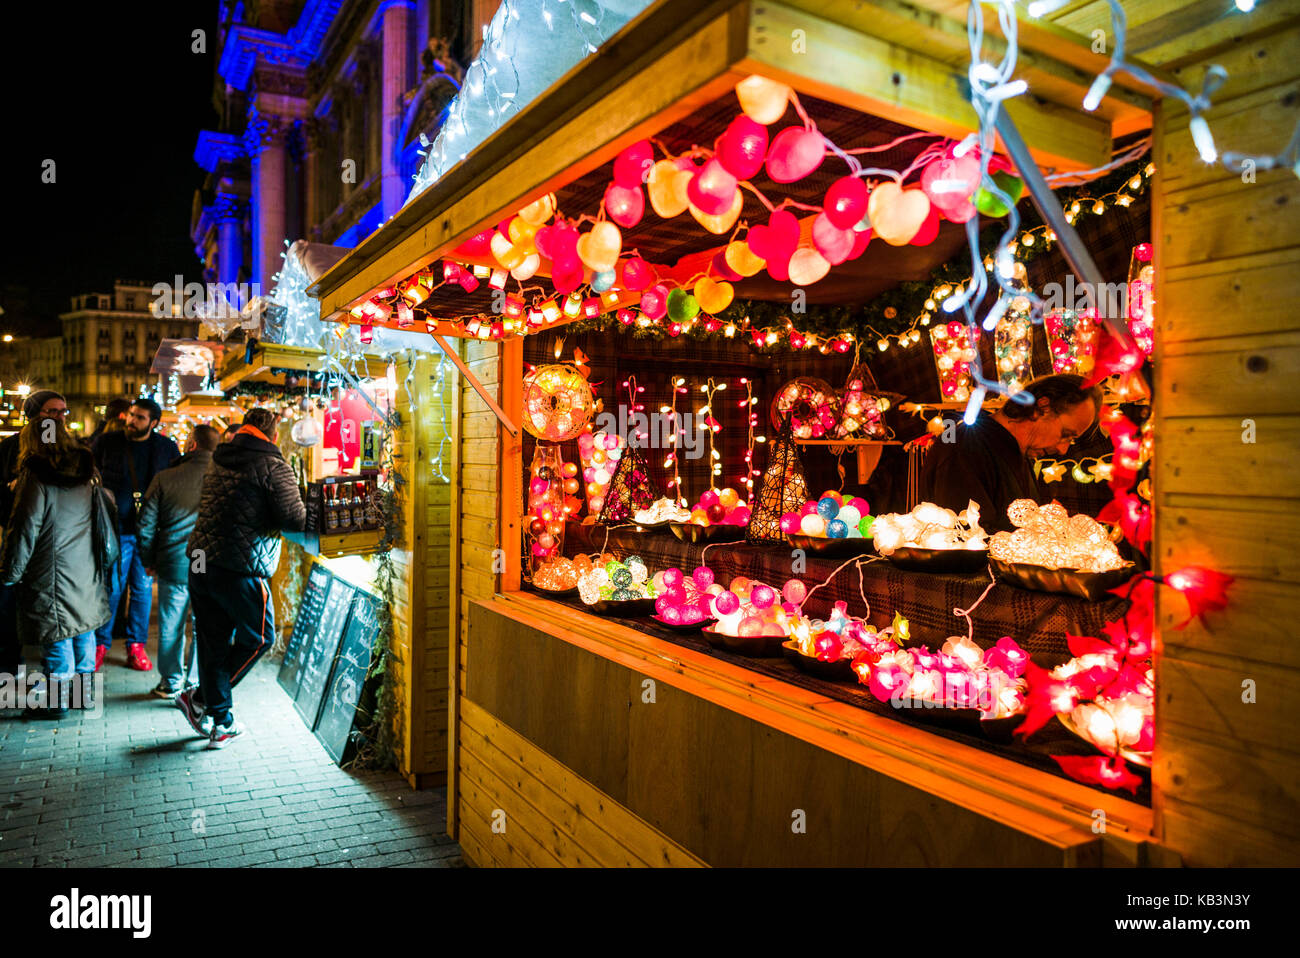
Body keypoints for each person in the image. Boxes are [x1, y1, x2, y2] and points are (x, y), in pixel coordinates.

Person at [176, 408, 305, 748]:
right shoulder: (274, 466)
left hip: (201, 560)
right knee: (260, 637)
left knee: (212, 639)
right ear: (274, 435)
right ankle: (204, 699)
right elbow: (294, 519)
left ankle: (222, 721)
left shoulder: (219, 458)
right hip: (238, 565)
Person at [0, 414, 111, 718]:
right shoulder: (87, 470)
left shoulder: (35, 476)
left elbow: (25, 528)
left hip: (50, 568)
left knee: (56, 632)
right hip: (85, 564)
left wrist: (10, 572)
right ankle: (84, 693)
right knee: (82, 626)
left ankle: (56, 700)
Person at [917, 374, 1103, 534]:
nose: (1063, 449)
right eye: (1066, 435)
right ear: (1043, 407)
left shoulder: (1018, 451)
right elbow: (967, 541)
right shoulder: (964, 447)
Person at [91, 397, 180, 672]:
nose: (131, 420)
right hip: (114, 530)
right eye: (131, 415)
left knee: (141, 590)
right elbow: (90, 476)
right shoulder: (107, 443)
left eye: (139, 417)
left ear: (154, 423)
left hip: (148, 533)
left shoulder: (165, 448)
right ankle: (101, 645)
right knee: (112, 589)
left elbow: (173, 487)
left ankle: (135, 646)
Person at [136, 424, 220, 699]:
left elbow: (146, 525)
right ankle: (196, 681)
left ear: (193, 445)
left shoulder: (165, 477)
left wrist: (148, 559)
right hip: (209, 562)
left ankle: (171, 681)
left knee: (171, 624)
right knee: (204, 625)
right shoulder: (224, 477)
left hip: (174, 561)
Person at [0, 390, 71, 686]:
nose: (58, 418)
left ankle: (60, 682)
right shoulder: (9, 448)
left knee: (53, 610)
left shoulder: (69, 449)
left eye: (63, 412)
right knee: (8, 599)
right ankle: (9, 664)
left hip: (57, 542)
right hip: (17, 534)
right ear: (33, 415)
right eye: (51, 412)